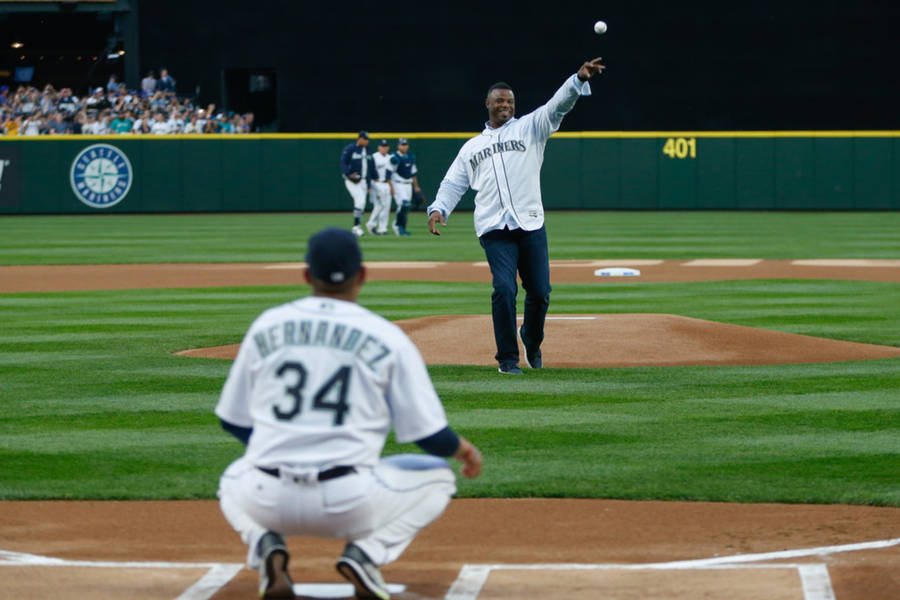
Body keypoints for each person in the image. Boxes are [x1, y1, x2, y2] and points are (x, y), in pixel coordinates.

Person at [216, 227, 482, 600]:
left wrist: (281, 448)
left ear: (307, 275)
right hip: (349, 503)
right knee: (439, 478)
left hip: (267, 497)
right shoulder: (386, 336)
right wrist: (466, 452)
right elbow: (430, 436)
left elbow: (231, 419)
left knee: (231, 478)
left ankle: (264, 543)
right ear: (362, 275)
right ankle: (366, 554)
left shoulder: (267, 325)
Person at [427, 58, 605, 374]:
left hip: (530, 223)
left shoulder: (530, 128)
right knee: (504, 289)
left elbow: (557, 106)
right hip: (494, 228)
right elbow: (454, 182)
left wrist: (577, 80)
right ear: (488, 104)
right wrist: (439, 208)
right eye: (499, 101)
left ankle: (531, 339)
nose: (505, 105)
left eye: (509, 101)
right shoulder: (472, 147)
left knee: (540, 292)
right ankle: (507, 359)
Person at [339, 131, 375, 237]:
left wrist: (369, 184)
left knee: (361, 205)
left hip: (364, 181)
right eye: (365, 139)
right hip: (352, 181)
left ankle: (357, 227)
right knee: (360, 202)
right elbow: (343, 163)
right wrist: (348, 174)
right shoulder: (350, 148)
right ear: (360, 138)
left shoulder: (368, 150)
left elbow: (370, 168)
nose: (367, 141)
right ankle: (356, 227)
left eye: (368, 139)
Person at [388, 138, 421, 236]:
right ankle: (397, 225)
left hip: (408, 184)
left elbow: (413, 173)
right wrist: (391, 187)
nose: (404, 146)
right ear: (398, 146)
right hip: (398, 183)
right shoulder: (394, 157)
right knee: (403, 204)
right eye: (402, 145)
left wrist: (416, 186)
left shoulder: (410, 156)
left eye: (405, 144)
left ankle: (402, 227)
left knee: (406, 207)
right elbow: (388, 173)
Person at [366, 139, 395, 235]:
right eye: (382, 146)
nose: (384, 148)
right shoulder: (374, 157)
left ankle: (382, 228)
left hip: (387, 183)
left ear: (388, 148)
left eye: (385, 146)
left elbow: (392, 173)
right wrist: (369, 185)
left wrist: (392, 186)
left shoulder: (390, 158)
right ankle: (371, 223)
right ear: (379, 147)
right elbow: (369, 171)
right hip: (376, 183)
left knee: (386, 207)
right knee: (380, 205)